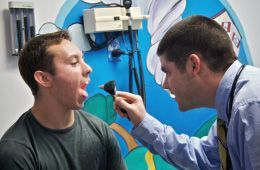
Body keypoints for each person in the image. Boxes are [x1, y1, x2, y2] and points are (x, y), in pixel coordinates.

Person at [114, 15, 260, 169]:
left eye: (167, 72)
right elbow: (205, 158)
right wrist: (143, 121)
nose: (164, 84)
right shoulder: (234, 104)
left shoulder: (250, 106)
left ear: (193, 65)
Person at [0, 30, 126, 170]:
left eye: (83, 59)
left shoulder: (100, 131)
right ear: (44, 78)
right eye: (73, 63)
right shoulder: (16, 152)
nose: (88, 69)